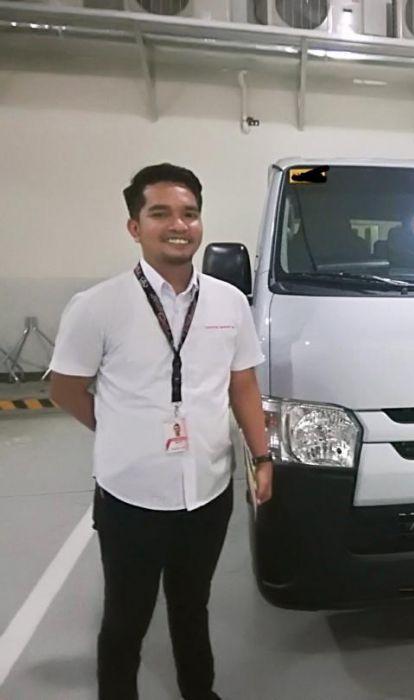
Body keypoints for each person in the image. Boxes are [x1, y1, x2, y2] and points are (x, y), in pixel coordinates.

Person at [50, 163, 273, 700]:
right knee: (126, 618)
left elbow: (242, 383)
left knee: (193, 605)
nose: (178, 225)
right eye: (161, 213)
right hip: (132, 495)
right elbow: (65, 388)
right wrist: (115, 428)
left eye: (189, 213)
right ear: (135, 227)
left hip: (208, 490)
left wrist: (262, 457)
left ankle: (200, 692)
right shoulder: (98, 306)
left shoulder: (228, 302)